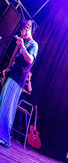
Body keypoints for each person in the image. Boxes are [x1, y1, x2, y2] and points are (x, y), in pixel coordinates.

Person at [0, 20, 38, 148]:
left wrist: (22, 47)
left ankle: (4, 138)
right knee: (2, 104)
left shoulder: (33, 45)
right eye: (21, 29)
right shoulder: (23, 42)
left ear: (29, 29)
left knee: (7, 108)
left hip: (17, 80)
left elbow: (30, 60)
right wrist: (8, 69)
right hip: (11, 76)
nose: (22, 32)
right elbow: (16, 60)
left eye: (25, 29)